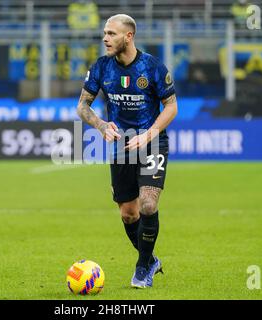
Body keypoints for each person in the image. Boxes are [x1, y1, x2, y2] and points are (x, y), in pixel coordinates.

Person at [76, 14, 178, 288]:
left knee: (148, 204)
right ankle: (151, 259)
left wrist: (149, 134)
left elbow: (171, 106)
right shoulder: (101, 68)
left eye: (111, 33)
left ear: (128, 36)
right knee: (129, 214)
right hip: (122, 146)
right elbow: (83, 106)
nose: (105, 38)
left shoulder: (152, 67)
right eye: (104, 33)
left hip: (152, 141)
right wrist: (100, 125)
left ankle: (142, 267)